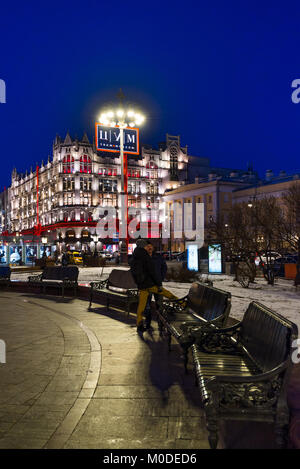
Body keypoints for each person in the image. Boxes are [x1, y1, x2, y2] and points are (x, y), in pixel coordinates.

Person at [130, 239, 178, 335]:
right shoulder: (145, 256)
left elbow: (133, 272)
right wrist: (159, 284)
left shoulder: (134, 257)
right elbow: (152, 272)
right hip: (150, 284)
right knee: (164, 292)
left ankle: (139, 324)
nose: (148, 247)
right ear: (144, 246)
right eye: (146, 245)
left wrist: (139, 283)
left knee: (141, 306)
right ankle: (181, 302)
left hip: (142, 286)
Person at [143, 243, 167, 331]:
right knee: (147, 305)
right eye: (147, 246)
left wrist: (161, 277)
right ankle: (147, 323)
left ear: (153, 247)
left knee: (160, 304)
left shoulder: (158, 257)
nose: (149, 247)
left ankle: (161, 324)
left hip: (158, 285)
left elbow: (164, 268)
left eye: (150, 246)